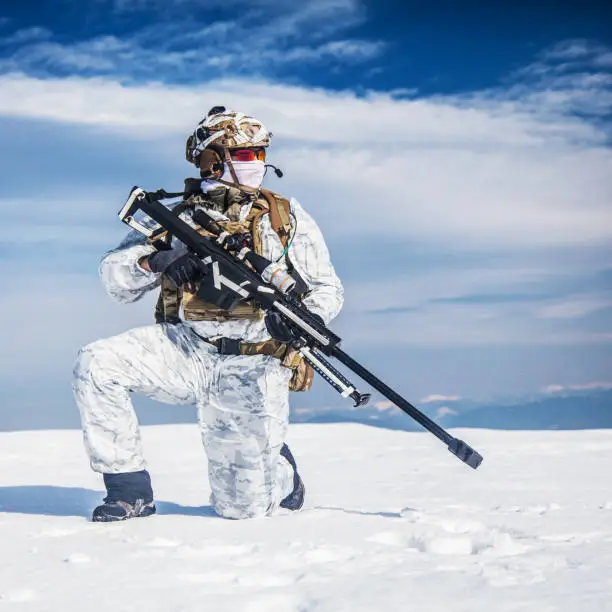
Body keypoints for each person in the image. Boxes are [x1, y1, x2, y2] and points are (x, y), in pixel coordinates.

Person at [72, 107, 344, 522]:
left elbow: (327, 289)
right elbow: (114, 281)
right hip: (186, 347)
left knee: (242, 511)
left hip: (252, 362)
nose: (257, 165)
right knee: (97, 364)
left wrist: (300, 319)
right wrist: (157, 261)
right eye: (245, 155)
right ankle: (129, 490)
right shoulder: (173, 216)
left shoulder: (284, 217)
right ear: (210, 158)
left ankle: (280, 470)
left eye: (259, 155)